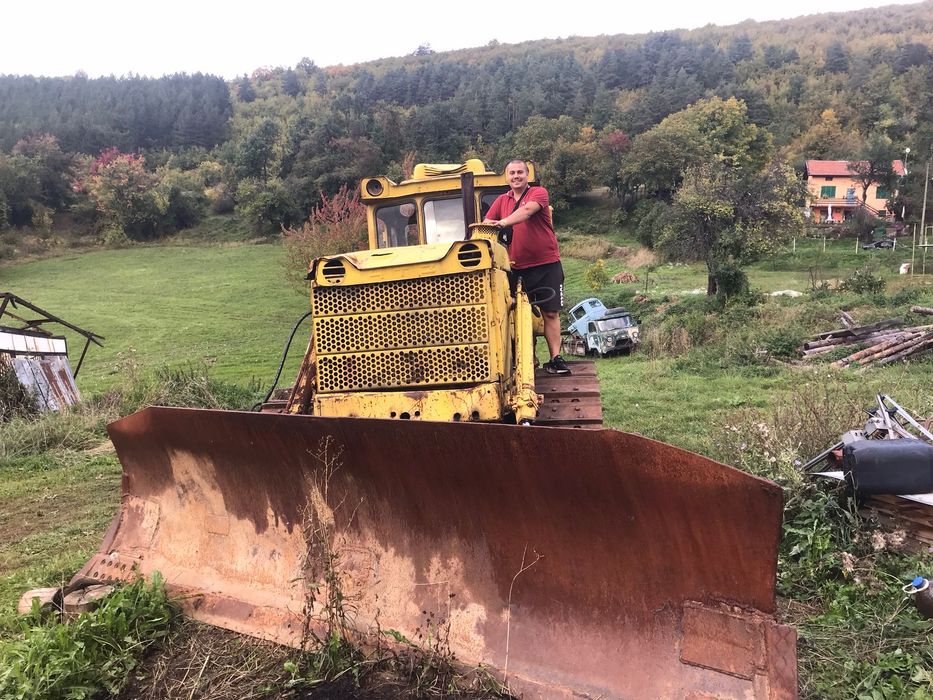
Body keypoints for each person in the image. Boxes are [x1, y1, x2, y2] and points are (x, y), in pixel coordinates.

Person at [483, 159, 570, 375]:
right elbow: (487, 222)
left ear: (527, 174)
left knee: (550, 312)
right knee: (515, 314)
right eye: (512, 173)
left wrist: (502, 223)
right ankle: (522, 362)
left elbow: (527, 212)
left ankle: (555, 358)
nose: (516, 176)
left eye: (520, 172)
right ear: (507, 177)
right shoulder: (501, 201)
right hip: (517, 268)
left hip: (546, 264)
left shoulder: (538, 193)